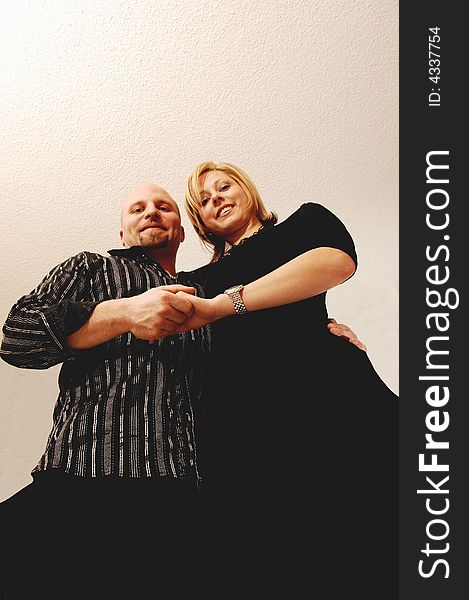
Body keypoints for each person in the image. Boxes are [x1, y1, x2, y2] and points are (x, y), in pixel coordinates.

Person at [0, 182, 364, 599]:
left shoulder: (204, 290)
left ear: (182, 230)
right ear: (122, 234)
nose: (151, 212)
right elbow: (17, 339)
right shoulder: (90, 268)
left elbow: (265, 346)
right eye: (137, 208)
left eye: (163, 207)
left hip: (183, 500)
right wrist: (123, 312)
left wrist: (327, 334)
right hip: (86, 476)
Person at [179, 161, 398, 598]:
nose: (216, 198)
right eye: (204, 200)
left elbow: (334, 262)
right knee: (291, 554)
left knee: (381, 520)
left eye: (224, 187)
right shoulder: (195, 282)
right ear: (199, 221)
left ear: (247, 189)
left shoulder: (304, 222)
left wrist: (227, 304)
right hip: (251, 426)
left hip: (329, 395)